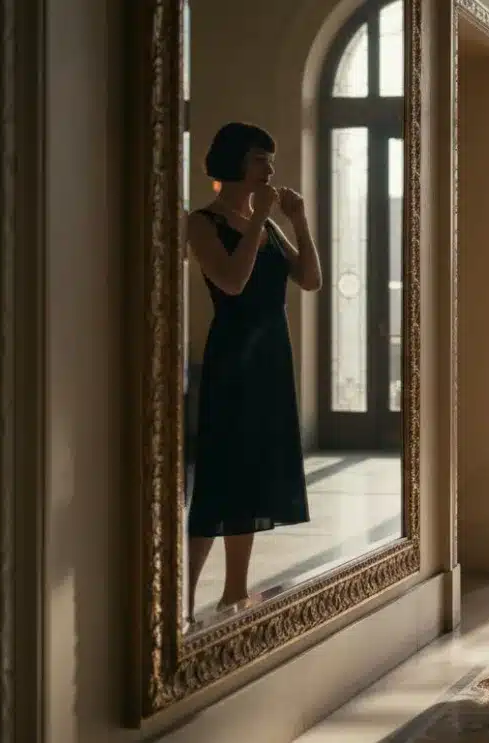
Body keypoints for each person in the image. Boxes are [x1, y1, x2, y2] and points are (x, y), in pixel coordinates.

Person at [184, 122, 323, 619]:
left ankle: (234, 591)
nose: (271, 169)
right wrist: (261, 215)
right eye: (262, 159)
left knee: (252, 475)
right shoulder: (200, 222)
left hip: (271, 360)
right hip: (232, 359)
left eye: (270, 159)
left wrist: (298, 221)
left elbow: (310, 279)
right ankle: (181, 599)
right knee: (221, 474)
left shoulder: (266, 224)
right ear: (237, 164)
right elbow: (232, 282)